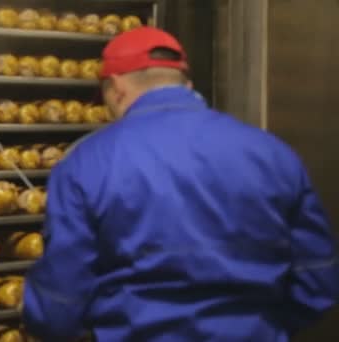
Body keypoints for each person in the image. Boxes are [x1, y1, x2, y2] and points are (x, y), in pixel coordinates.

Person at [21, 27, 339, 341]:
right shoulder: (274, 154)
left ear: (116, 88)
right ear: (186, 84)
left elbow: (59, 302)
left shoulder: (84, 164)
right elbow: (318, 279)